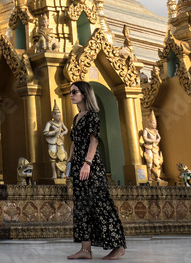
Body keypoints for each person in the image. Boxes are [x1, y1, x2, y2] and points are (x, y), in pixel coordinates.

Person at [67, 80, 126, 260]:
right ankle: (85, 249)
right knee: (82, 207)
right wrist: (69, 164)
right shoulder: (77, 118)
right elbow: (74, 143)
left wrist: (87, 163)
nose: (71, 94)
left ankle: (119, 246)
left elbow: (94, 142)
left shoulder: (92, 116)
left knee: (101, 206)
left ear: (84, 94)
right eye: (70, 92)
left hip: (91, 167)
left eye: (74, 92)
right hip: (78, 167)